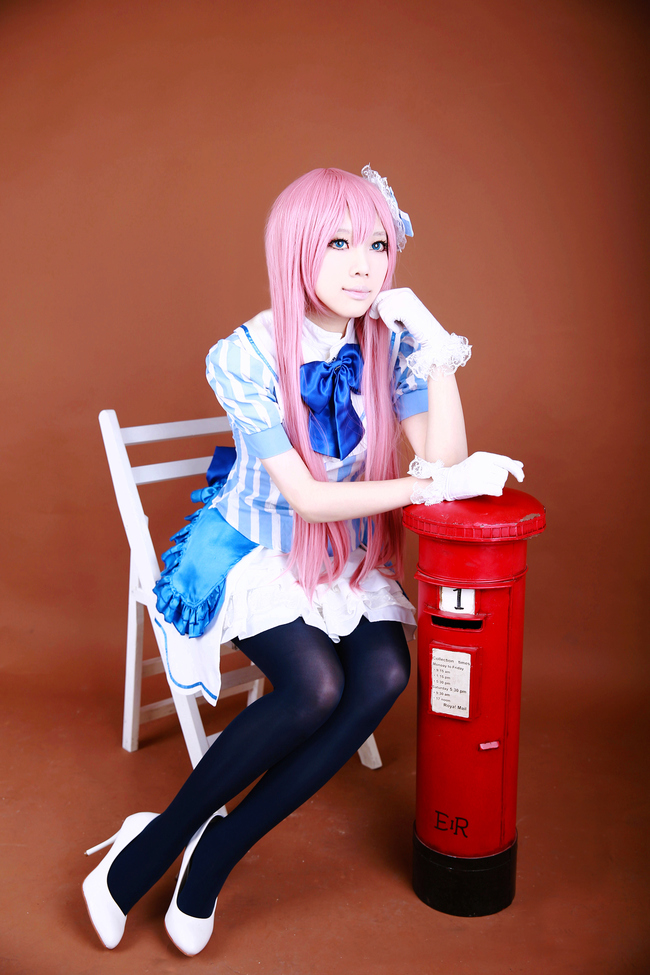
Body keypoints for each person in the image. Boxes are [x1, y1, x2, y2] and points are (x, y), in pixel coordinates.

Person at [82, 166, 523, 956]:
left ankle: (218, 850)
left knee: (385, 674)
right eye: (340, 243)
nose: (365, 265)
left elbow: (447, 460)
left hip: (339, 552)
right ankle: (150, 845)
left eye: (379, 245)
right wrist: (435, 483)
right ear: (296, 249)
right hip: (254, 546)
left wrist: (433, 341)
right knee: (316, 686)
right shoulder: (246, 353)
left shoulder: (386, 344)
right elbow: (312, 500)